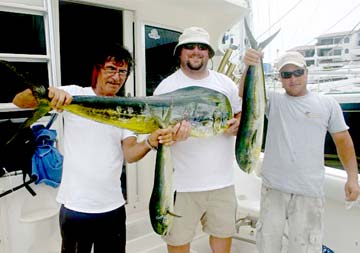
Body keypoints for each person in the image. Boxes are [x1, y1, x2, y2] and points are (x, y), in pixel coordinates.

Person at [13, 44, 173, 253]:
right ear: (97, 69)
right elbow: (19, 101)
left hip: (113, 208)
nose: (116, 77)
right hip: (76, 208)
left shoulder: (126, 109)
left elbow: (130, 153)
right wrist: (51, 92)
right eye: (111, 69)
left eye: (122, 71)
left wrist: (151, 142)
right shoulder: (74, 95)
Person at [240, 49, 359, 253]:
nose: (293, 79)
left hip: (309, 192)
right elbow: (244, 93)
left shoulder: (327, 104)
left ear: (306, 73)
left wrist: (352, 178)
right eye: (286, 75)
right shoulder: (272, 102)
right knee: (267, 246)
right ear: (280, 78)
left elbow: (343, 142)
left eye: (297, 72)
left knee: (304, 248)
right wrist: (249, 65)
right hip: (273, 189)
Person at [153, 27, 241, 253]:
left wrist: (238, 125)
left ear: (209, 54)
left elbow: (241, 115)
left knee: (222, 244)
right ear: (180, 53)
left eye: (202, 47)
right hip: (181, 186)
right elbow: (156, 135)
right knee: (178, 244)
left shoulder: (226, 84)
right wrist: (171, 136)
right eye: (190, 47)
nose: (196, 51)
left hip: (222, 183)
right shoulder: (166, 88)